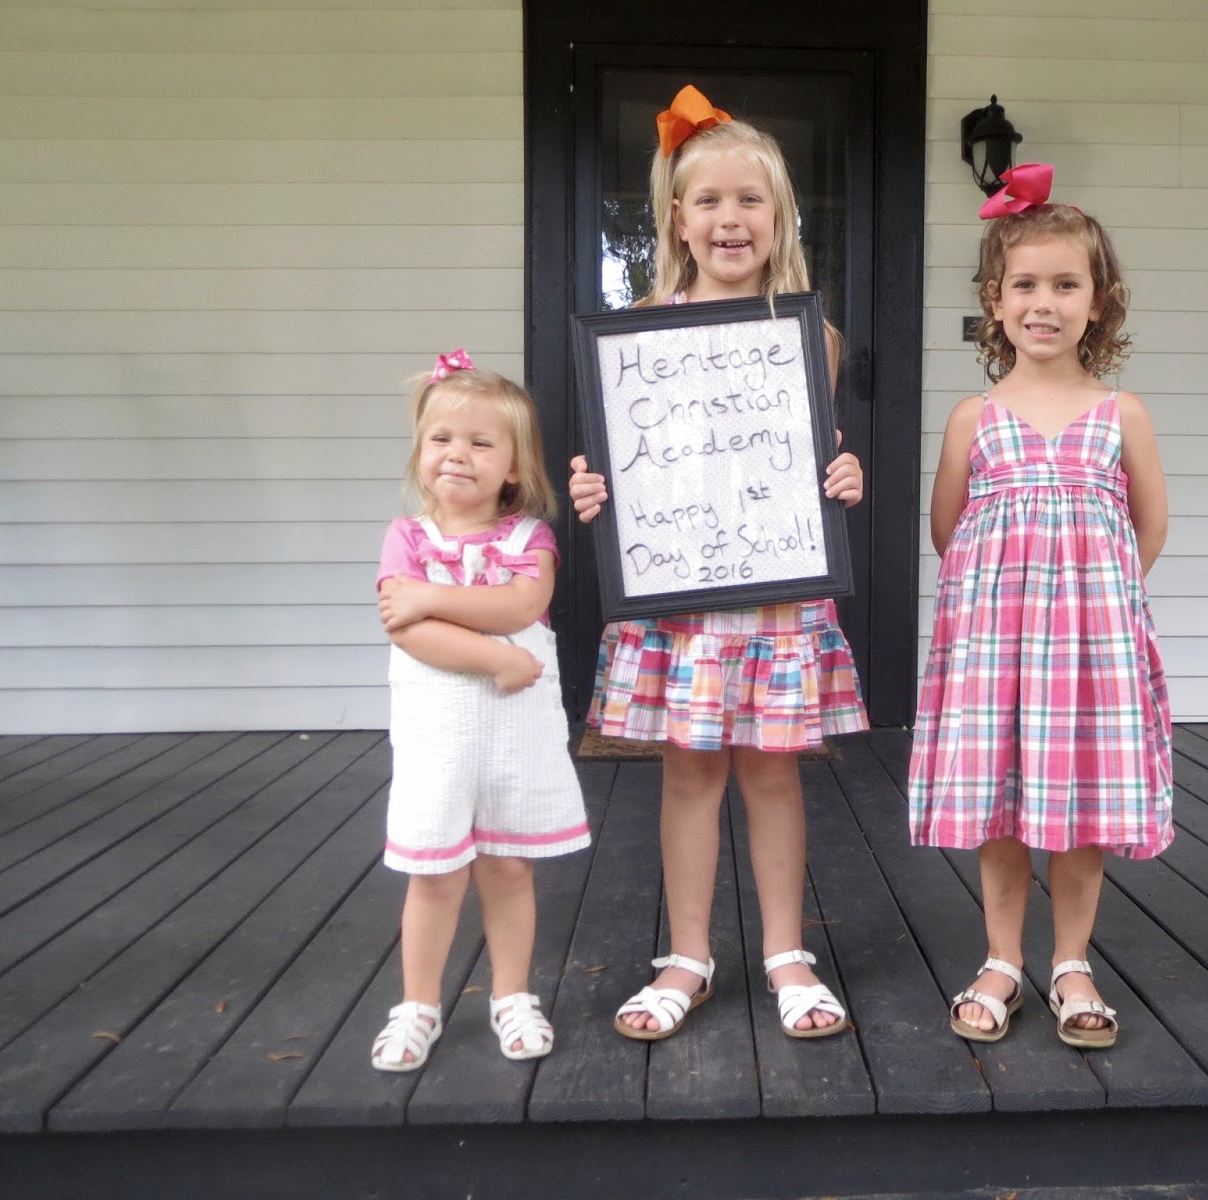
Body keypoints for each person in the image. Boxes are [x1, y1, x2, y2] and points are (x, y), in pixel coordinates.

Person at [568, 85, 866, 1040]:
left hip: (776, 593)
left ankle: (787, 954)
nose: (730, 218)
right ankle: (687, 957)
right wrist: (598, 496)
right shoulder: (642, 334)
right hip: (682, 596)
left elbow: (809, 462)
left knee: (774, 773)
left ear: (778, 219)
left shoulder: (807, 336)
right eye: (709, 201)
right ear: (676, 220)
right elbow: (632, 467)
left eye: (751, 201)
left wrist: (844, 474)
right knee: (690, 773)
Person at [908, 165, 1172, 1049]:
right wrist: (1011, 594)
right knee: (1003, 802)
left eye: (1066, 284)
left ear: (1099, 302)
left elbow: (1150, 526)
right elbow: (950, 529)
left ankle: (1071, 962)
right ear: (995, 299)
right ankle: (1001, 958)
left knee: (1078, 803)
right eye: (1026, 284)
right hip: (996, 647)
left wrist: (1095, 602)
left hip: (1089, 648)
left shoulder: (1119, 413)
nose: (1045, 302)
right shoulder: (971, 419)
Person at [370, 351, 591, 1070]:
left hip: (513, 737)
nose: (456, 455)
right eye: (441, 439)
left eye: (479, 442)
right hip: (438, 736)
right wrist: (498, 657)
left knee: (508, 866)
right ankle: (419, 1005)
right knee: (434, 872)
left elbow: (521, 604)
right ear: (419, 452)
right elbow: (408, 629)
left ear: (515, 469)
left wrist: (432, 596)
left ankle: (512, 994)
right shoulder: (408, 538)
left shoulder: (530, 540)